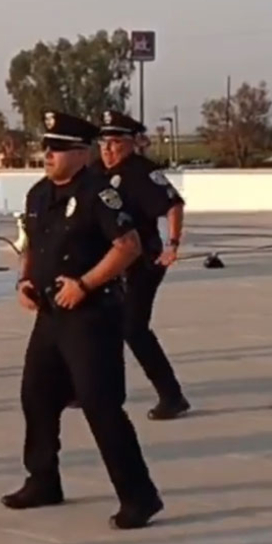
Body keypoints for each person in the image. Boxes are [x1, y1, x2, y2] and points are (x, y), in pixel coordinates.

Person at [2, 111, 164, 530]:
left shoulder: (100, 194)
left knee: (100, 405)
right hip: (50, 314)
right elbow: (30, 246)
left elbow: (127, 247)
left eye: (57, 148)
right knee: (35, 396)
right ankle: (43, 480)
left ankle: (139, 496)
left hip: (92, 315)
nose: (47, 154)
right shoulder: (38, 194)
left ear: (81, 152)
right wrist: (24, 281)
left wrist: (86, 285)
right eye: (46, 146)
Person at [96, 110, 191, 420]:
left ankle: (172, 395)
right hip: (108, 261)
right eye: (104, 142)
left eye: (115, 142)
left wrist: (172, 244)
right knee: (98, 325)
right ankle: (92, 387)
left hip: (142, 261)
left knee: (134, 329)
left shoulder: (141, 171)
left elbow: (173, 204)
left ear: (130, 143)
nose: (108, 149)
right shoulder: (95, 171)